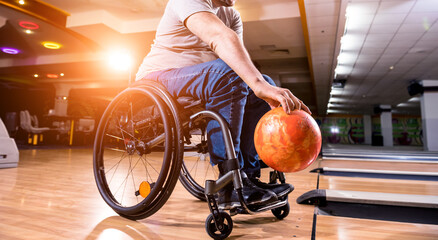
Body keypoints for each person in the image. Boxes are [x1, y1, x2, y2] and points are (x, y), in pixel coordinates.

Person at [135, 0, 311, 209]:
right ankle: (228, 182)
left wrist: (262, 86)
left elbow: (235, 59)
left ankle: (247, 177)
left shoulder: (231, 15)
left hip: (199, 85)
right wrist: (256, 84)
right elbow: (219, 37)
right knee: (229, 76)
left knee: (261, 86)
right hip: (158, 79)